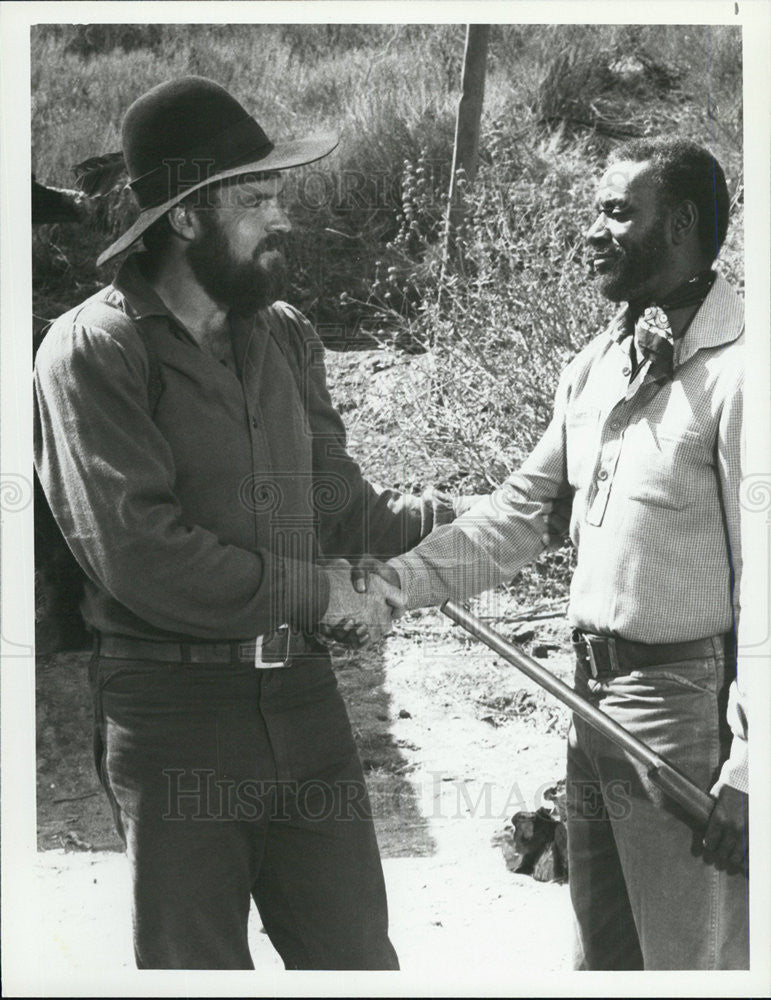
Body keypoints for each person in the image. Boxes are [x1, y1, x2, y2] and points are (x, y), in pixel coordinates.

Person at [33, 76, 495, 970]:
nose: (279, 218)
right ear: (185, 218)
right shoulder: (93, 351)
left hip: (305, 708)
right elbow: (140, 556)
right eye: (255, 200)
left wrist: (477, 518)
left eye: (277, 196)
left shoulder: (284, 335)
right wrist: (315, 592)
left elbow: (342, 508)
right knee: (196, 971)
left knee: (357, 963)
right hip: (173, 721)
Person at [374, 137, 750, 970]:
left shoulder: (741, 376)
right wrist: (387, 588)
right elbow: (518, 512)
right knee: (603, 957)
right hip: (588, 701)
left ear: (682, 223)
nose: (591, 230)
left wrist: (753, 770)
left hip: (685, 717)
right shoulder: (596, 364)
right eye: (594, 210)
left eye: (616, 210)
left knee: (692, 962)